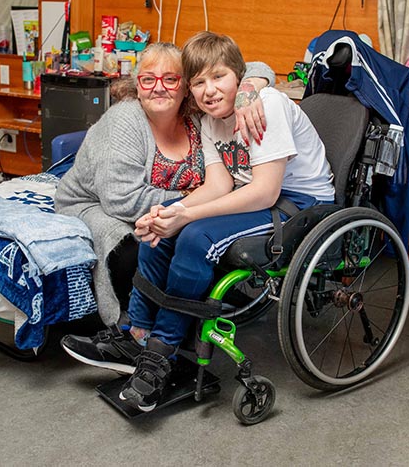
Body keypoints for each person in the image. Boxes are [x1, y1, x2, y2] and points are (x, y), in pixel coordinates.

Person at [67, 31, 335, 412]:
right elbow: (218, 184)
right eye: (198, 82)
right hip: (253, 192)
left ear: (239, 78)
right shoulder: (211, 120)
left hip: (302, 203)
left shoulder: (266, 105)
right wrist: (171, 213)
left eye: (219, 78)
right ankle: (137, 332)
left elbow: (265, 193)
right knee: (159, 228)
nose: (209, 90)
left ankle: (160, 353)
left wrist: (187, 215)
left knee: (195, 237)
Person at [54, 43, 275, 348]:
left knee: (182, 231)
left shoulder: (199, 111)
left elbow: (255, 67)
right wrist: (187, 204)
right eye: (148, 79)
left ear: (187, 86)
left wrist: (250, 89)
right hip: (97, 204)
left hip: (180, 203)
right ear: (137, 85)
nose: (159, 88)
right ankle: (134, 329)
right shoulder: (125, 121)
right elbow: (122, 200)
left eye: (170, 79)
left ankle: (172, 320)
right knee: (137, 242)